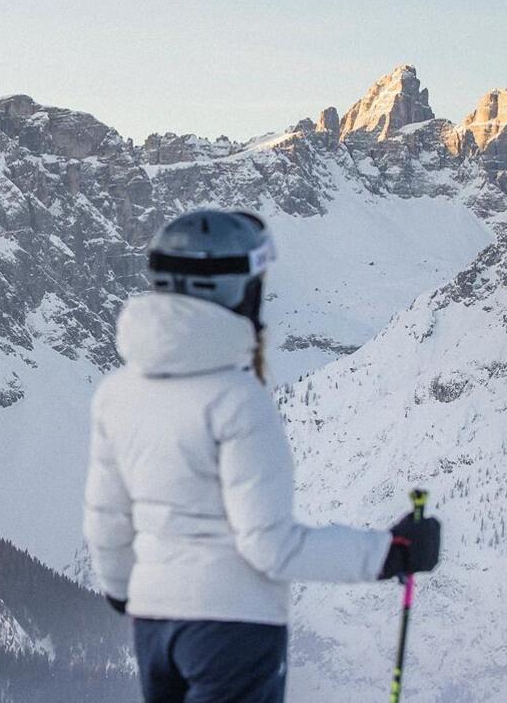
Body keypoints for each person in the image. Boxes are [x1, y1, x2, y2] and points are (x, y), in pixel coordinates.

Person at [84, 208, 441, 703]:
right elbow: (269, 547)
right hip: (233, 630)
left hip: (152, 628)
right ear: (236, 292)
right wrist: (391, 552)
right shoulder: (238, 399)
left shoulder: (117, 393)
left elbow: (106, 521)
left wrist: (128, 590)